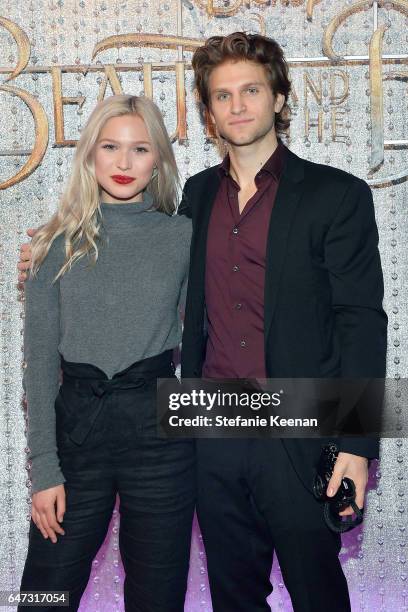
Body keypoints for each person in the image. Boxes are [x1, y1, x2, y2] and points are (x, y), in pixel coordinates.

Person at [177, 33, 387, 611]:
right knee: (233, 597)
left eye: (250, 90)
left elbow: (361, 322)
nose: (237, 105)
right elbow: (136, 263)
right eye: (222, 96)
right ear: (208, 110)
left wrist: (356, 443)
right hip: (213, 429)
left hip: (299, 428)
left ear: (278, 98)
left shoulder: (336, 195)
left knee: (317, 593)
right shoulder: (192, 199)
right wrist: (57, 251)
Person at [18, 94, 195, 612]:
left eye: (140, 149)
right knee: (42, 595)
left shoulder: (182, 236)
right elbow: (39, 366)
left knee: (158, 599)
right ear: (89, 156)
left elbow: (214, 331)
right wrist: (44, 470)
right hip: (78, 433)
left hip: (161, 434)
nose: (123, 163)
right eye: (110, 147)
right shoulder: (54, 243)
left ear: (158, 159)